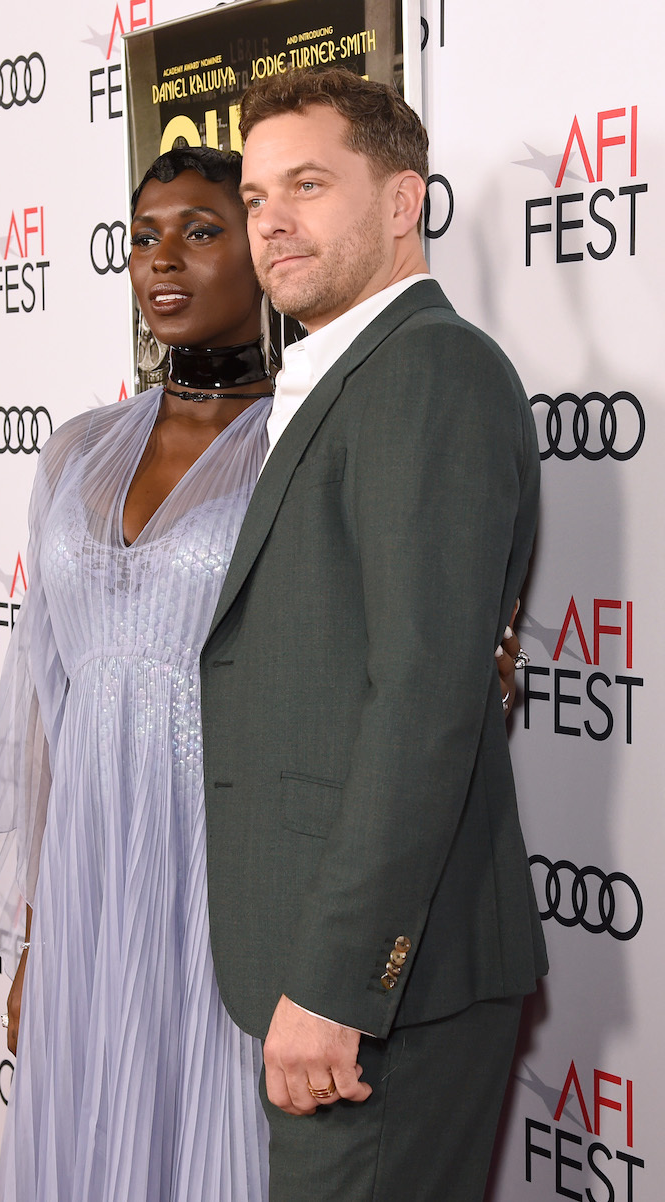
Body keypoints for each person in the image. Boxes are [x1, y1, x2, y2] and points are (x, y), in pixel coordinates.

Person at [199, 68, 548, 1202]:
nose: (272, 222)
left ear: (402, 202)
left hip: (382, 984)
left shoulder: (429, 373)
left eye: (308, 184)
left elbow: (421, 702)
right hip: (326, 961)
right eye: (255, 197)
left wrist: (342, 980)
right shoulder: (346, 374)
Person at [0, 146, 273, 1202]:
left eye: (199, 229)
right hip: (90, 860)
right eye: (143, 235)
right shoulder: (78, 450)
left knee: (212, 1142)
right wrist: (39, 929)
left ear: (265, 247)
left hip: (220, 868)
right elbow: (46, 694)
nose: (161, 259)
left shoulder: (303, 447)